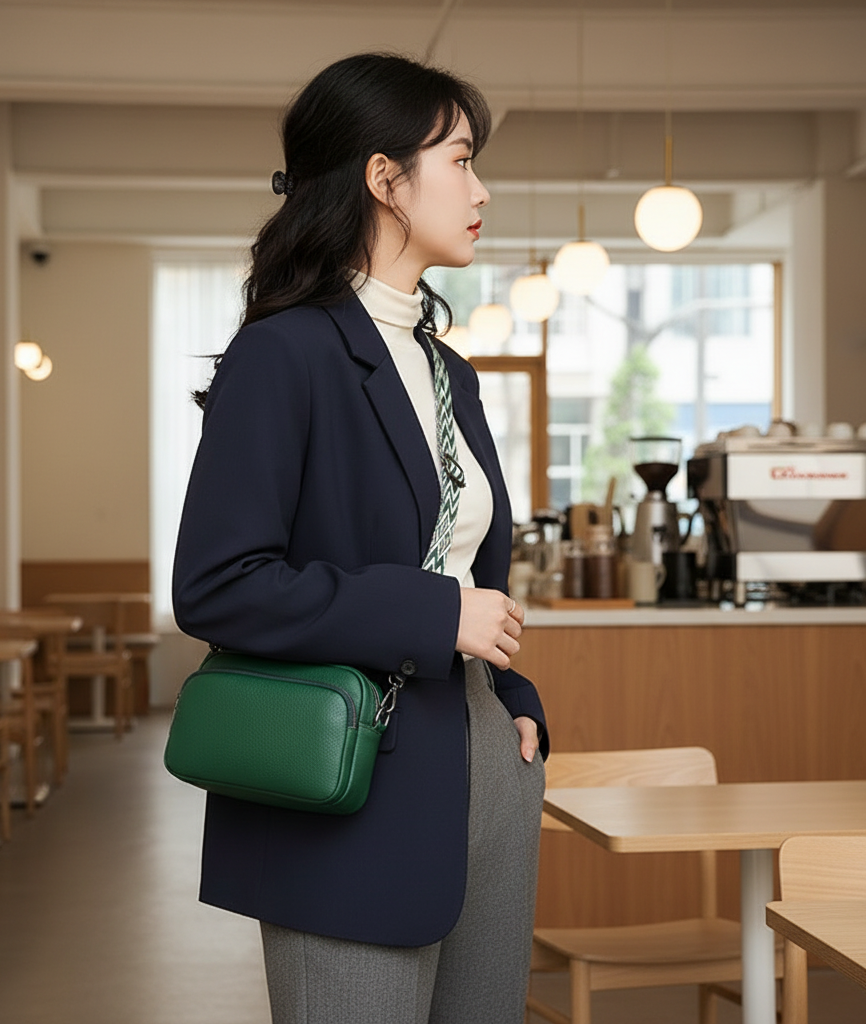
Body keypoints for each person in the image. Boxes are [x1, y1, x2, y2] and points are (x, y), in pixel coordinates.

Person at [172, 51, 548, 1024]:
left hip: (479, 752)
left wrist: (510, 699)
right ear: (385, 179)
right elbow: (219, 585)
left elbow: (464, 559)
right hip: (348, 772)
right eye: (460, 161)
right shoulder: (285, 350)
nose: (482, 189)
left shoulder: (448, 370)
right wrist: (434, 617)